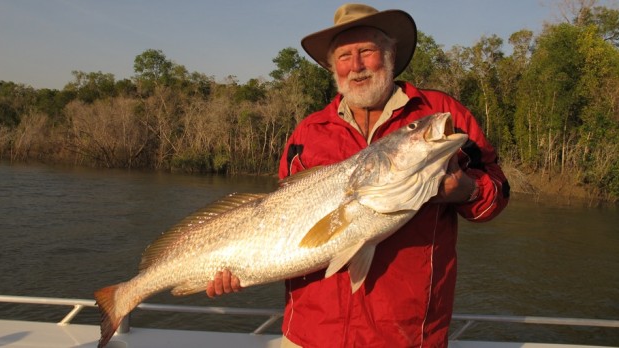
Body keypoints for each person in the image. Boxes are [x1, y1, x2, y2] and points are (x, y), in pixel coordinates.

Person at [207, 3, 510, 347]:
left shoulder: (439, 114)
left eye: (367, 51)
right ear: (332, 66)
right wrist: (237, 269)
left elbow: (496, 195)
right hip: (310, 335)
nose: (357, 66)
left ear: (390, 53)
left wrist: (467, 191)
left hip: (407, 337)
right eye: (345, 56)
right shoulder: (308, 131)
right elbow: (278, 219)